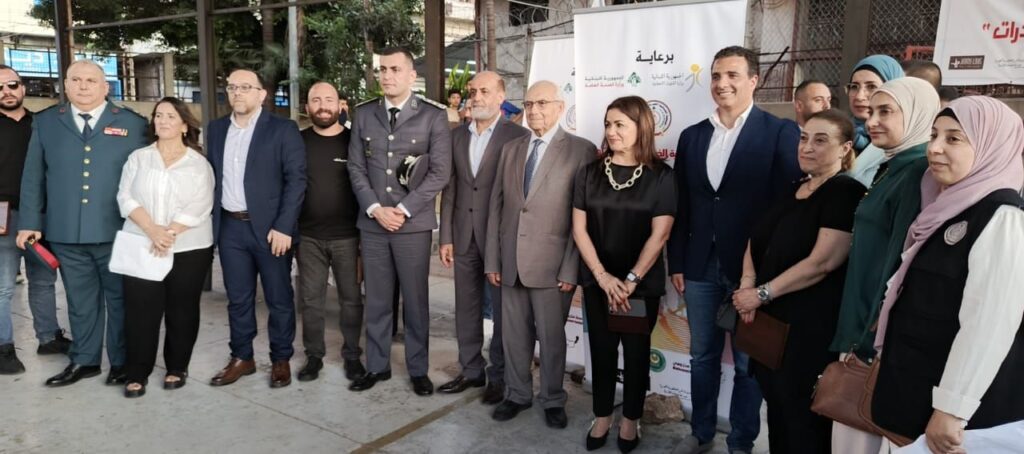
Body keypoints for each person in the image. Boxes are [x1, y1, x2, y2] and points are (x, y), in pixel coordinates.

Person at [667, 46, 802, 454]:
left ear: (753, 81)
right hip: (699, 266)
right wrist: (678, 261)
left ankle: (741, 442)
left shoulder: (779, 132)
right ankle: (701, 432)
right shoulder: (692, 136)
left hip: (752, 271)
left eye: (732, 75)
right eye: (716, 76)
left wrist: (765, 272)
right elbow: (683, 206)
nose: (722, 83)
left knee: (748, 363)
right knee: (702, 356)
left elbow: (788, 205)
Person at [871, 96, 1024, 453]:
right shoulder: (947, 207)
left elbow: (989, 323)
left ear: (991, 146)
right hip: (915, 396)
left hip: (957, 419)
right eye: (934, 135)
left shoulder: (1001, 217)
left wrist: (952, 409)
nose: (935, 148)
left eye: (954, 138)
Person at [731, 109, 865, 453]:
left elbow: (823, 262)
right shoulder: (794, 188)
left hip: (809, 331)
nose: (807, 147)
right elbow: (756, 239)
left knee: (803, 421)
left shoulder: (845, 192)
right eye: (804, 138)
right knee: (777, 413)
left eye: (820, 140)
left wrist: (761, 294)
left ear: (845, 148)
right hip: (769, 328)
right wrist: (747, 283)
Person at [17, 59, 148, 387]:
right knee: (79, 301)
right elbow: (33, 176)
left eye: (91, 80)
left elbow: (147, 178)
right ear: (65, 85)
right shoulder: (47, 122)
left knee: (120, 300)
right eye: (76, 80)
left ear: (105, 87)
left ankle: (122, 362)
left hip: (117, 229)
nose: (83, 86)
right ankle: (85, 360)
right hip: (66, 231)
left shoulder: (133, 124)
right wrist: (29, 222)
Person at [828, 77, 940, 453]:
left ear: (917, 114)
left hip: (872, 335)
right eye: (871, 112)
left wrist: (868, 338)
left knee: (861, 437)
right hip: (861, 323)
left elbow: (898, 263)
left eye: (886, 112)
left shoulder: (916, 172)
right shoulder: (892, 165)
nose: (872, 120)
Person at [485, 80, 596, 429]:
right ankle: (517, 394)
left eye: (542, 103)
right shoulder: (511, 149)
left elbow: (583, 216)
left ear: (560, 107)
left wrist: (570, 268)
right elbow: (497, 207)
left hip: (553, 266)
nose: (534, 110)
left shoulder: (581, 150)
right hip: (509, 262)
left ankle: (552, 398)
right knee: (513, 336)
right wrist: (493, 260)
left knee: (551, 339)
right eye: (529, 103)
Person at [572, 96, 676, 452]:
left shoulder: (661, 176)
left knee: (635, 355)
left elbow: (660, 234)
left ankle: (631, 419)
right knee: (602, 352)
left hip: (638, 288)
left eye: (620, 124)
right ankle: (602, 415)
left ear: (641, 127)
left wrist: (631, 280)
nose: (611, 131)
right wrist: (602, 277)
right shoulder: (589, 173)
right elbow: (579, 229)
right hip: (599, 282)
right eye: (608, 124)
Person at [347, 47, 452, 396]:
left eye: (394, 69)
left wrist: (403, 209)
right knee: (377, 299)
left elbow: (440, 173)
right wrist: (375, 208)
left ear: (411, 75)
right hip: (374, 224)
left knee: (415, 300)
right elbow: (356, 167)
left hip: (412, 225)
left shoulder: (433, 116)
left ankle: (418, 369)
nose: (387, 76)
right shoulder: (364, 114)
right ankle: (377, 366)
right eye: (383, 70)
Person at [206, 68, 306, 389]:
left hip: (271, 230)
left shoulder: (282, 129)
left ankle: (280, 358)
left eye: (245, 87)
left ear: (262, 94)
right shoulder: (216, 129)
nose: (237, 92)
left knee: (279, 298)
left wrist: (284, 226)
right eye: (232, 87)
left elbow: (296, 180)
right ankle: (242, 357)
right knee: (238, 298)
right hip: (230, 228)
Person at [437, 71, 530, 403]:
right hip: (463, 236)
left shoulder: (518, 136)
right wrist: (445, 236)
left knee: (503, 312)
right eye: (472, 91)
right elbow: (450, 189)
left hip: (500, 241)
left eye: (484, 91)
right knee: (466, 307)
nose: (476, 97)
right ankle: (471, 370)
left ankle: (499, 376)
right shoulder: (455, 137)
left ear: (501, 97)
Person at [116, 97, 214, 398]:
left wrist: (168, 233)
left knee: (182, 310)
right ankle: (137, 372)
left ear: (184, 125)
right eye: (159, 115)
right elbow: (125, 197)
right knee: (140, 311)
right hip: (142, 242)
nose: (163, 121)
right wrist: (153, 230)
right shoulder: (138, 158)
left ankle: (177, 367)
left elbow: (201, 204)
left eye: (171, 116)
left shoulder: (198, 163)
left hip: (189, 247)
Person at [0, 65, 71, 374]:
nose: (6, 92)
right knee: (3, 287)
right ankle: (3, 348)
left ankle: (49, 337)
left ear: (23, 87)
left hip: (42, 216)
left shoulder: (42, 123)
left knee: (44, 280)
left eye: (12, 84)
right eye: (0, 88)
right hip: (3, 217)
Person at [293, 82, 365, 382]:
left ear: (340, 105)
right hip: (308, 237)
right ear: (307, 107)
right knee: (311, 301)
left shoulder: (354, 142)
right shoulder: (297, 142)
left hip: (349, 236)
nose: (322, 106)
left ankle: (352, 355)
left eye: (328, 100)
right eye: (316, 100)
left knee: (351, 300)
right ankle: (314, 356)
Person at [845, 55, 904, 185]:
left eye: (871, 87)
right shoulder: (839, 131)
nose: (859, 96)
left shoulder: (901, 144)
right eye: (854, 87)